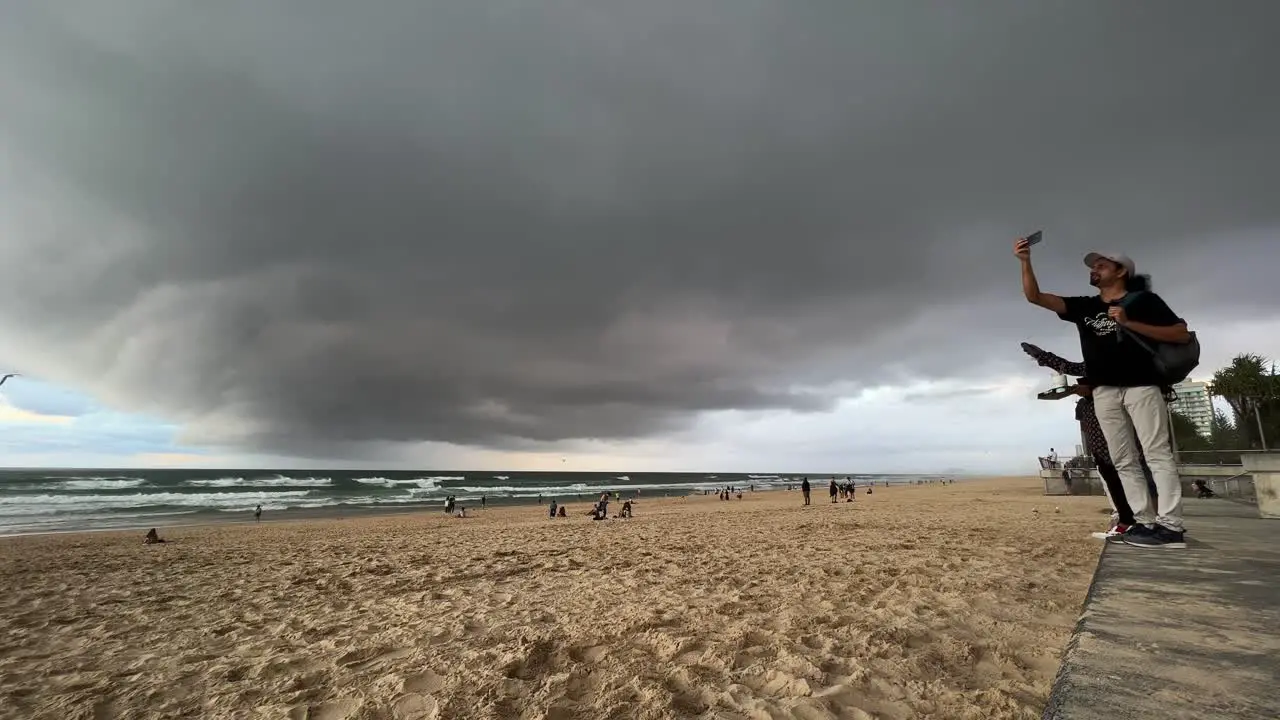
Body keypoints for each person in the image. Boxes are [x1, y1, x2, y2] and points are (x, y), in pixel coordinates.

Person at [1016, 238, 1191, 548]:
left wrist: (1130, 323)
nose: (1094, 270)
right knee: (1123, 459)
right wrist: (1025, 261)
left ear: (1121, 271)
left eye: (1101, 265)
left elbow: (1180, 333)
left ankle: (1171, 526)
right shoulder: (1086, 305)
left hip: (1142, 386)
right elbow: (1035, 297)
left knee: (1156, 454)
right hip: (1104, 391)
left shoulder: (1144, 302)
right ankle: (1143, 522)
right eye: (1093, 266)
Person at [1022, 342, 1160, 537]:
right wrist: (1042, 357)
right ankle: (1128, 519)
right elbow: (1071, 367)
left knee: (1131, 472)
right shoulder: (1096, 363)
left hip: (1115, 429)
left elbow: (1112, 386)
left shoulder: (1123, 365)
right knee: (1111, 475)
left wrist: (1089, 389)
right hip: (1099, 434)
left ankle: (1145, 521)